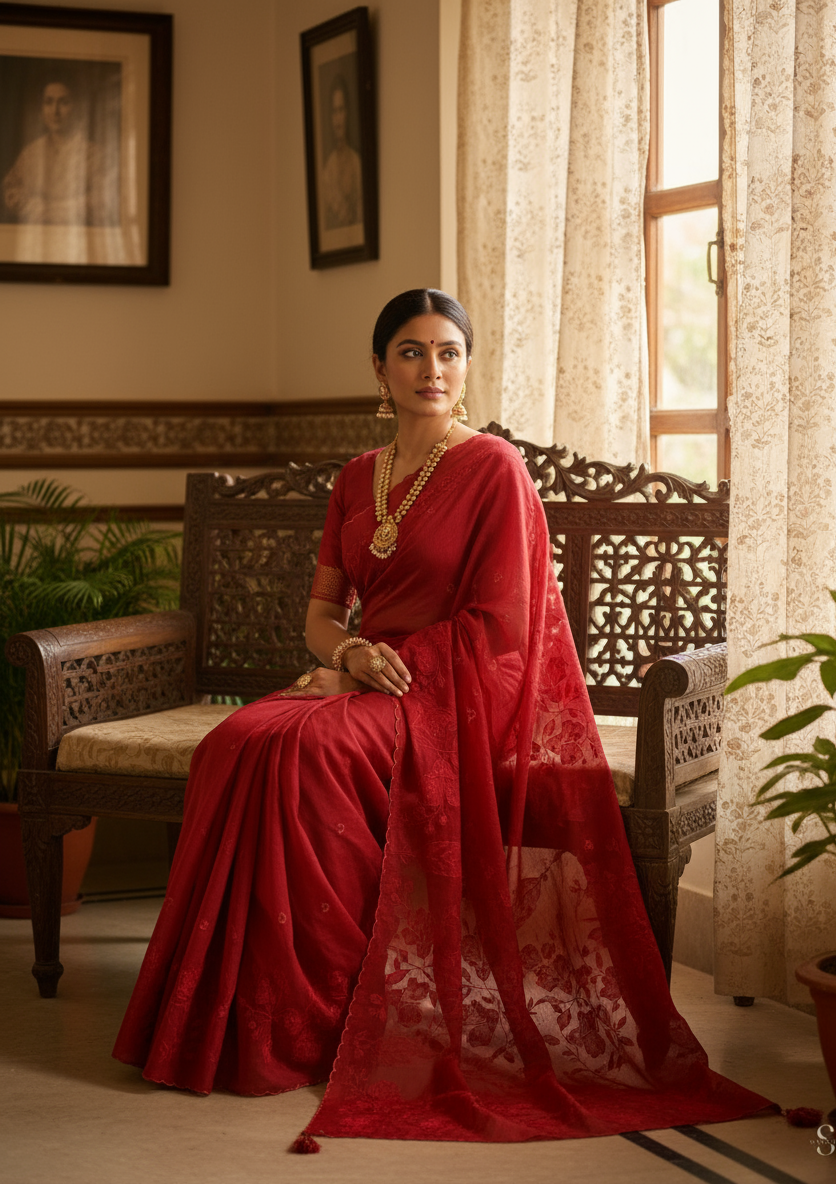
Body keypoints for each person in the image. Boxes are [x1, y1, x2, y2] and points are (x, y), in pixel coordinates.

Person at [114, 289, 773, 1145]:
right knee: (240, 738)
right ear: (380, 370)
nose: (434, 369)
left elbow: (501, 628)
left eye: (450, 352)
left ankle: (324, 1014)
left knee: (302, 756)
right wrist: (348, 658)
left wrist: (386, 673)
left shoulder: (493, 467)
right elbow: (322, 614)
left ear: (466, 368)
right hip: (367, 678)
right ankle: (235, 1010)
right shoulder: (359, 476)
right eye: (414, 352)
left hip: (458, 698)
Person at [2, 80, 117, 226]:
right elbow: (11, 193)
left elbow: (101, 203)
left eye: (63, 102)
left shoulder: (95, 154)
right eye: (48, 102)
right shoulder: (30, 153)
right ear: (42, 108)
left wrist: (41, 209)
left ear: (77, 108)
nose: (55, 111)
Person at [320, 75, 362, 230]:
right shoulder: (327, 172)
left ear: (347, 113)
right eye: (334, 112)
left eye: (341, 110)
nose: (338, 120)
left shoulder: (357, 164)